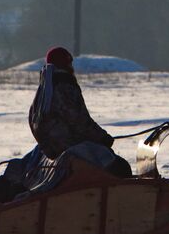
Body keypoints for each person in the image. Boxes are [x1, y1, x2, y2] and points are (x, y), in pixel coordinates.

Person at [28, 46, 131, 178]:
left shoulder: (45, 88)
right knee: (120, 167)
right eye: (69, 63)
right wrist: (102, 138)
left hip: (53, 149)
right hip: (68, 146)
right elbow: (80, 122)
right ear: (65, 64)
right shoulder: (64, 86)